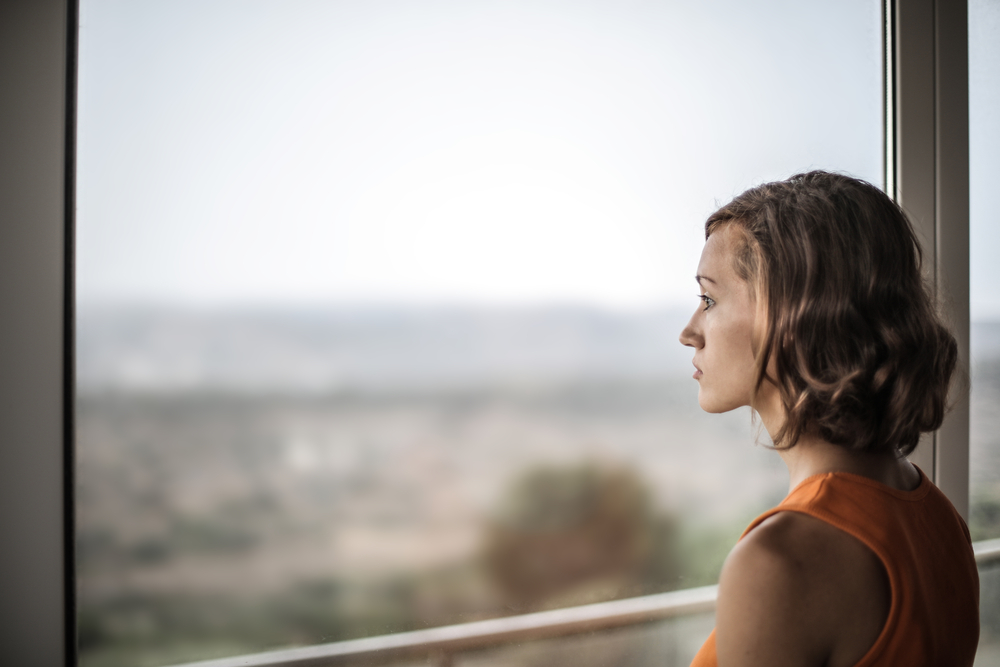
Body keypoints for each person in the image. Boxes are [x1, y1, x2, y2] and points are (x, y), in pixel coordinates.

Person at [679, 171, 980, 666]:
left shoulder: (781, 562)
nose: (689, 332)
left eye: (709, 299)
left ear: (792, 314)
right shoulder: (940, 519)